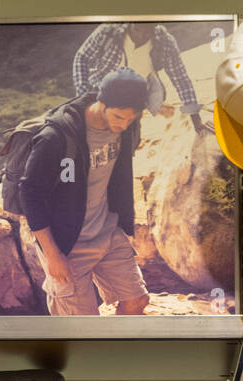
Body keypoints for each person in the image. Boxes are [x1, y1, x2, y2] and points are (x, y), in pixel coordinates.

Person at [18, 69, 151, 317]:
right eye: (119, 117)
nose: (123, 125)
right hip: (67, 243)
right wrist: (53, 255)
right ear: (101, 102)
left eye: (130, 120)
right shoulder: (56, 136)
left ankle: (115, 354)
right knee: (81, 327)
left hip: (107, 232)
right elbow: (29, 193)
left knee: (137, 301)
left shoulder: (126, 126)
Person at [73, 22, 207, 136]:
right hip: (99, 96)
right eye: (137, 30)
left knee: (128, 143)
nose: (141, 37)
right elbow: (82, 57)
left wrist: (194, 115)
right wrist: (82, 95)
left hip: (134, 103)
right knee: (93, 137)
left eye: (147, 32)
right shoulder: (108, 32)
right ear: (129, 22)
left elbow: (180, 77)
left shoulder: (165, 42)